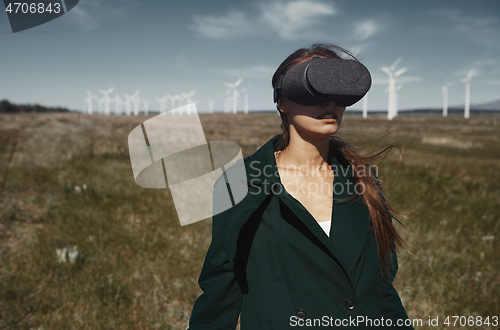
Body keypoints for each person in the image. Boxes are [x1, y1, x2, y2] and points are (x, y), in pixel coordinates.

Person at [187, 43, 413, 329]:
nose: (330, 103)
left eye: (338, 92)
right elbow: (220, 291)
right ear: (283, 102)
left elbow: (381, 289)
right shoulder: (242, 183)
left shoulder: (363, 180)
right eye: (314, 91)